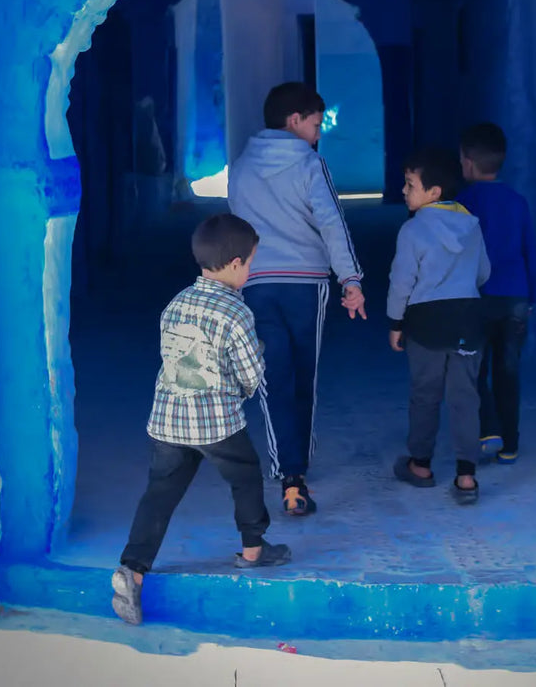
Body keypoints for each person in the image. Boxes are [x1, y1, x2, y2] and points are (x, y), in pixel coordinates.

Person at [111, 213, 291, 626]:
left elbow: (173, 358)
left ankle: (133, 570)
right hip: (215, 424)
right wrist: (243, 388)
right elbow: (250, 372)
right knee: (245, 477)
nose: (250, 270)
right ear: (234, 265)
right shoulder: (236, 313)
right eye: (250, 263)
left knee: (160, 493)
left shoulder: (176, 304)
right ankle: (253, 551)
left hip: (168, 420)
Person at [227, 82, 367, 516]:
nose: (318, 131)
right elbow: (331, 223)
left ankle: (286, 470)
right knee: (303, 377)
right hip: (307, 285)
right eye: (315, 122)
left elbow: (235, 225)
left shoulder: (242, 166)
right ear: (294, 121)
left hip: (256, 284)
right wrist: (351, 279)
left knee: (273, 380)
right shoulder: (309, 163)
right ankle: (297, 471)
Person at [387, 147, 490, 505]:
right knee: (465, 398)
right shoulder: (472, 226)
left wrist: (395, 322)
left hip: (427, 323)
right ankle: (466, 476)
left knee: (425, 396)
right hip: (468, 319)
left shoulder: (413, 230)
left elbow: (402, 281)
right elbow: (484, 273)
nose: (404, 190)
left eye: (410, 184)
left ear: (433, 193)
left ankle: (420, 466)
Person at [457, 123, 536, 465]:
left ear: (468, 163)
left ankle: (487, 427)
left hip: (478, 298)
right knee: (509, 370)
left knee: (473, 368)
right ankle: (511, 443)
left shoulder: (462, 203)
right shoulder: (518, 203)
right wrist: (531, 297)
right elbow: (530, 253)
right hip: (516, 299)